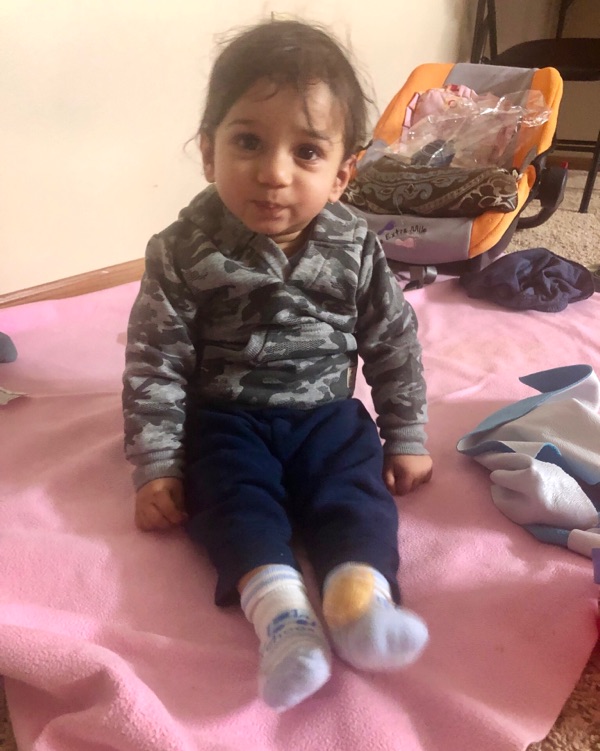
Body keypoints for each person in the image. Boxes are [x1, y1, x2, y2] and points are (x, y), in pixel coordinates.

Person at [122, 18, 433, 712]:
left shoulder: (356, 245)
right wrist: (157, 463)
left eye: (307, 151)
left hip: (329, 415)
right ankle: (284, 619)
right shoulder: (181, 249)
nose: (273, 173)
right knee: (229, 500)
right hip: (226, 418)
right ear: (209, 151)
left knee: (358, 492)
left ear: (343, 173)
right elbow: (156, 359)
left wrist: (407, 433)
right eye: (248, 142)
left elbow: (392, 341)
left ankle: (360, 601)